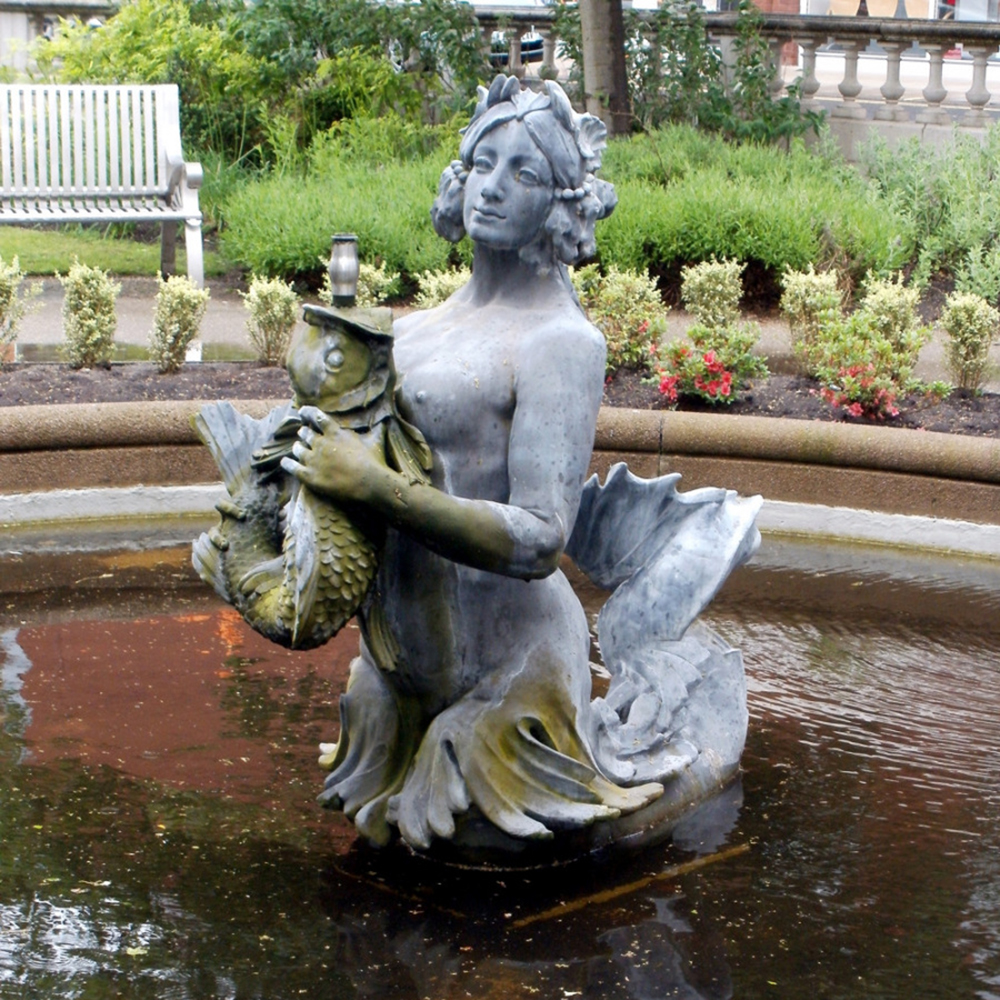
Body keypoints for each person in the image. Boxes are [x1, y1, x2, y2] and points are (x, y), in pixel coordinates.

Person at [282, 75, 666, 850]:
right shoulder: (416, 330)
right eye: (483, 163)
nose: (491, 188)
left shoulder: (561, 342)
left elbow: (537, 539)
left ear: (560, 203)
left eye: (523, 173)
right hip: (401, 660)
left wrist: (374, 487)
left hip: (512, 662)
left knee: (478, 847)